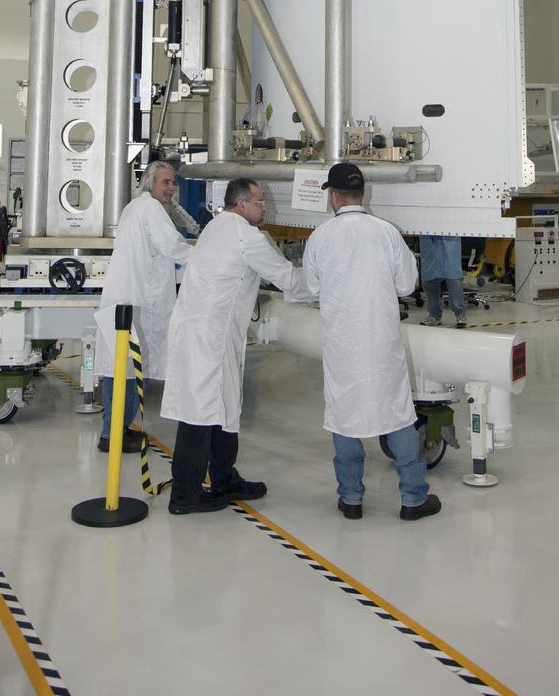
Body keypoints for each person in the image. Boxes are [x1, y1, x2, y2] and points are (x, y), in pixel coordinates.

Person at [303, 163, 441, 522]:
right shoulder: (386, 233)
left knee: (344, 415)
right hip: (381, 342)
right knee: (395, 412)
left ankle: (351, 498)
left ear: (333, 197)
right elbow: (407, 285)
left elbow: (313, 288)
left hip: (342, 344)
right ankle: (413, 499)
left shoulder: (320, 237)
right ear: (362, 194)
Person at [162, 178, 306, 515]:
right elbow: (288, 280)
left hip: (205, 331)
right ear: (241, 204)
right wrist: (330, 283)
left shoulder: (217, 227)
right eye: (259, 201)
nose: (264, 206)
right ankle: (184, 495)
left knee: (223, 408)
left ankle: (224, 477)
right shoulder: (246, 236)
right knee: (199, 414)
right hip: (209, 336)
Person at [93, 161, 191, 452]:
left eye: (173, 182)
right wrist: (207, 256)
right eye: (165, 182)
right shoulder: (150, 209)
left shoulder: (134, 207)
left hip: (126, 299)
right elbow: (173, 246)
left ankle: (112, 431)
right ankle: (114, 435)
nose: (170, 188)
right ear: (150, 183)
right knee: (132, 369)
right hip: (138, 302)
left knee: (118, 369)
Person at [419, 235, 467, 328]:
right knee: (429, 280)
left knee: (454, 279)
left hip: (449, 236)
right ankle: (434, 315)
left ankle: (460, 314)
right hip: (428, 237)